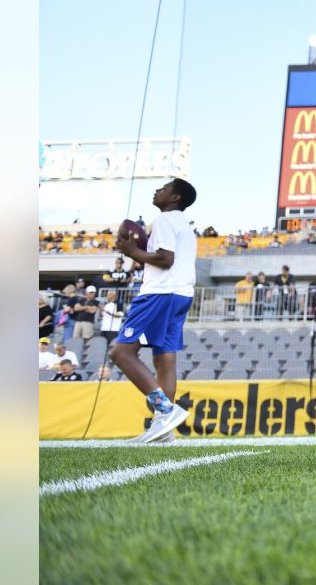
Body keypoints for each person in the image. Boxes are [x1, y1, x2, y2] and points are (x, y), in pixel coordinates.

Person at [112, 178, 199, 443]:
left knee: (121, 353)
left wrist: (131, 250)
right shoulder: (185, 226)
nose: (157, 190)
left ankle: (165, 409)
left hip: (160, 294)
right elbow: (168, 259)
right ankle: (164, 430)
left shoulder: (164, 220)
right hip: (181, 294)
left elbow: (164, 259)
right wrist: (139, 253)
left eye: (163, 188)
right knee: (164, 359)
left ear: (175, 198)